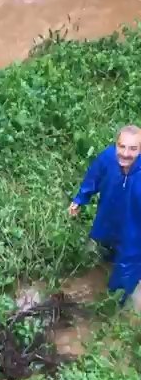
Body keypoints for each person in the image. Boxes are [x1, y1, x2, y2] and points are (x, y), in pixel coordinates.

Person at [69, 125, 141, 303]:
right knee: (104, 256)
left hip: (134, 235)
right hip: (107, 222)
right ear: (115, 144)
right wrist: (80, 199)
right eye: (122, 146)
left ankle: (112, 310)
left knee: (122, 280)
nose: (125, 153)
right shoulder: (108, 158)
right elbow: (93, 178)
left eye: (133, 149)